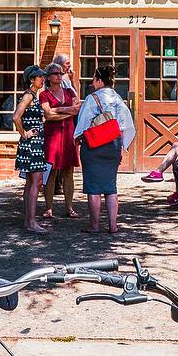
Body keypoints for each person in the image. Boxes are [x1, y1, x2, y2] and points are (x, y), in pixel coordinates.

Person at [74, 65, 135, 234]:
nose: (93, 83)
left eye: (94, 79)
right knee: (110, 186)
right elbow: (125, 125)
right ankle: (113, 225)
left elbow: (83, 123)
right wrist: (122, 147)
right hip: (113, 145)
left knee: (93, 187)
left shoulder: (92, 99)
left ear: (100, 81)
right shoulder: (118, 99)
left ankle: (94, 225)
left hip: (94, 146)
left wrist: (77, 138)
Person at [40, 62, 81, 219]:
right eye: (56, 73)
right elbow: (47, 115)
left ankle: (69, 207)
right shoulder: (44, 94)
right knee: (50, 172)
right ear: (49, 77)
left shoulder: (69, 91)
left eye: (60, 73)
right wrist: (67, 111)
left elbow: (77, 109)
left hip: (68, 134)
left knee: (68, 172)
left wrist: (57, 109)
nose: (59, 76)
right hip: (52, 135)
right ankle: (48, 207)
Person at [12, 65, 50, 234]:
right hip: (32, 144)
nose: (43, 79)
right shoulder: (28, 95)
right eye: (39, 77)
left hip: (35, 144)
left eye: (43, 76)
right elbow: (16, 116)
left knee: (31, 183)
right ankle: (32, 221)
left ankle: (28, 220)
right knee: (36, 182)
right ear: (31, 80)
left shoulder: (35, 96)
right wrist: (24, 133)